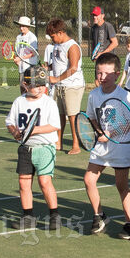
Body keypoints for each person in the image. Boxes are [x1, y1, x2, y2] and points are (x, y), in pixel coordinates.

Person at [82, 54, 130, 237]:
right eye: (99, 73)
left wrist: (111, 134)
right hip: (102, 146)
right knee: (89, 180)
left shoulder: (125, 96)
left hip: (121, 146)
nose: (102, 77)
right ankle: (99, 216)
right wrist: (99, 132)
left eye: (107, 73)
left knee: (121, 185)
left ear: (116, 74)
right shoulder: (94, 94)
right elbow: (91, 116)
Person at [7, 68, 62, 230]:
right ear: (25, 84)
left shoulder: (48, 102)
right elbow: (10, 121)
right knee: (24, 183)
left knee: (44, 182)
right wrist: (15, 132)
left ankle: (54, 215)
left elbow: (54, 125)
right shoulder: (19, 101)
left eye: (42, 85)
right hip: (25, 148)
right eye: (35, 85)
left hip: (44, 148)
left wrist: (34, 130)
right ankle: (28, 216)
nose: (40, 88)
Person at [43, 18, 87, 155]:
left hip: (72, 86)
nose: (52, 39)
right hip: (59, 86)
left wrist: (56, 78)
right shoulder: (56, 46)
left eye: (53, 36)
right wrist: (47, 68)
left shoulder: (72, 46)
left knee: (72, 115)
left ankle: (75, 145)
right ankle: (58, 142)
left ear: (61, 32)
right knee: (58, 115)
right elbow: (57, 63)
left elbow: (73, 68)